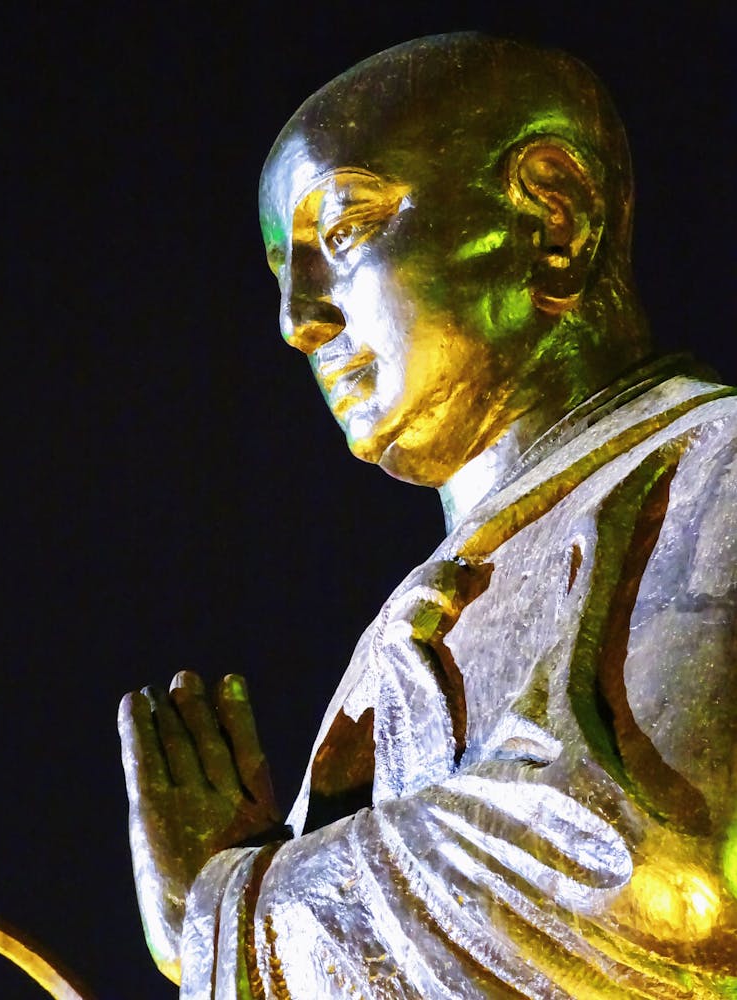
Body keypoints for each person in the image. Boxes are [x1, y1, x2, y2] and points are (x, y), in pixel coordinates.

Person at [119, 34, 737, 998]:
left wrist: (232, 911)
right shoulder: (412, 627)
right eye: (284, 266)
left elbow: (662, 884)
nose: (298, 317)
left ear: (554, 215)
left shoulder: (713, 468)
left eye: (346, 229)